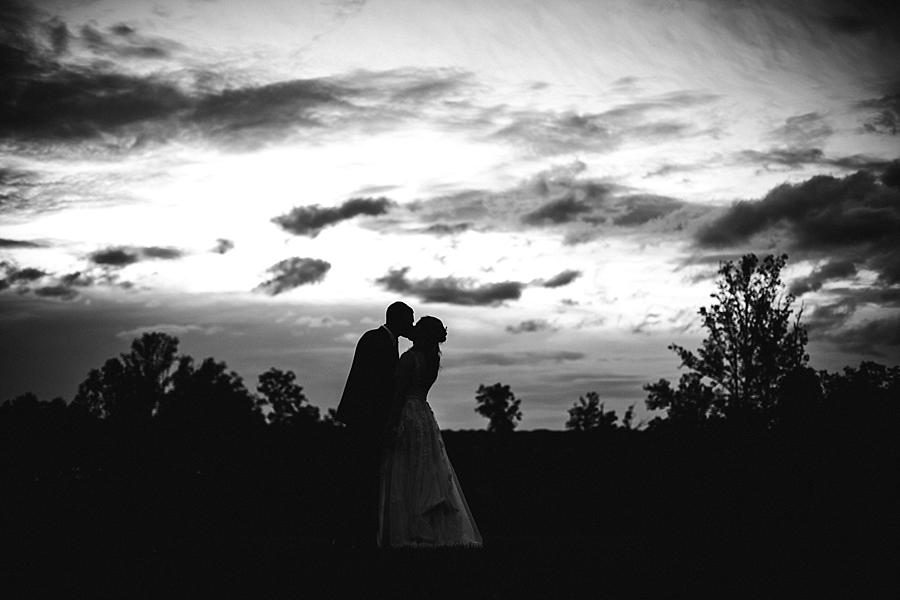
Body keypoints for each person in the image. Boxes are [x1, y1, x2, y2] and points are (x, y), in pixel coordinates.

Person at [377, 316, 483, 548]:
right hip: (424, 414)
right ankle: (430, 527)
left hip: (408, 414)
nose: (412, 329)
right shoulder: (432, 361)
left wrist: (392, 423)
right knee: (426, 469)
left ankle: (409, 528)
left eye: (417, 327)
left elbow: (398, 395)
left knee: (407, 469)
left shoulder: (409, 359)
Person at [335, 301, 415, 549]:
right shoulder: (374, 340)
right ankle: (352, 534)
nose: (411, 325)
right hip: (364, 419)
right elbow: (369, 384)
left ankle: (364, 533)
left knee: (370, 476)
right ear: (397, 319)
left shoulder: (390, 342)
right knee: (359, 476)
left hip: (372, 419)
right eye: (409, 320)